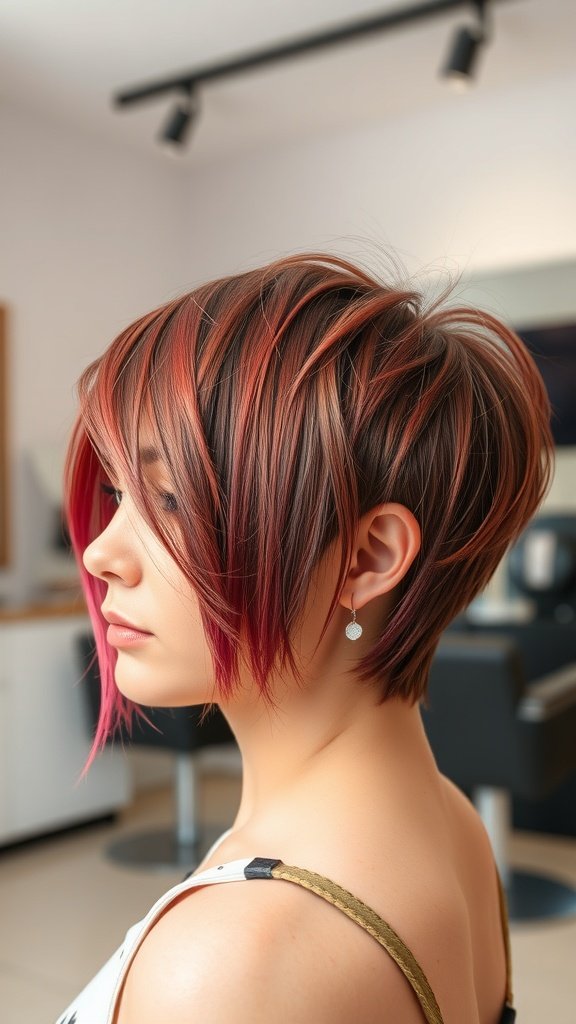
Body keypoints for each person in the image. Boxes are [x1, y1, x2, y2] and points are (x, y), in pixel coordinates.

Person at [58, 252, 552, 1024]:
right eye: (119, 492)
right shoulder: (450, 822)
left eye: (169, 499)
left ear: (366, 557)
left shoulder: (232, 968)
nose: (99, 553)